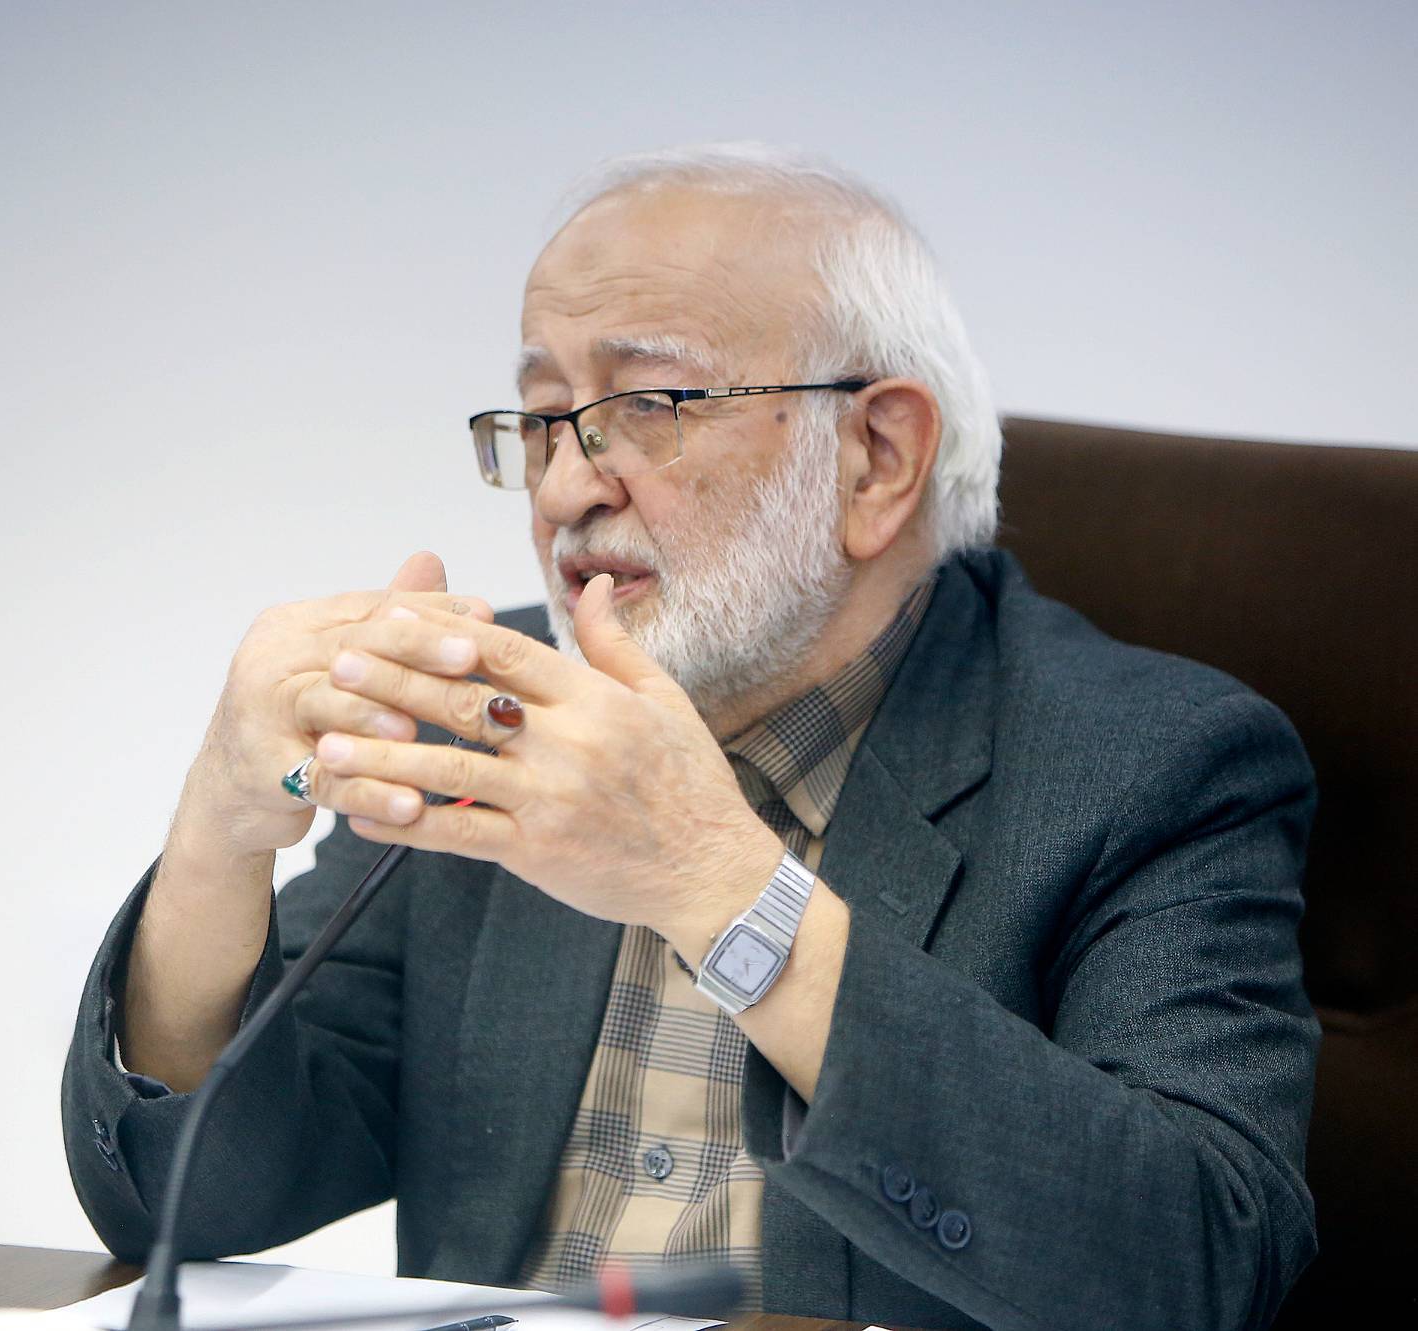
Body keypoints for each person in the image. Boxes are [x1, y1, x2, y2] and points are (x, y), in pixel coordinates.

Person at [63, 144, 1319, 1331]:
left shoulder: (1156, 763)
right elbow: (188, 1196)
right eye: (544, 418)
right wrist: (222, 826)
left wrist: (717, 885)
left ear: (876, 457)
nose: (566, 487)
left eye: (646, 404)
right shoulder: (490, 711)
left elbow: (1200, 1268)